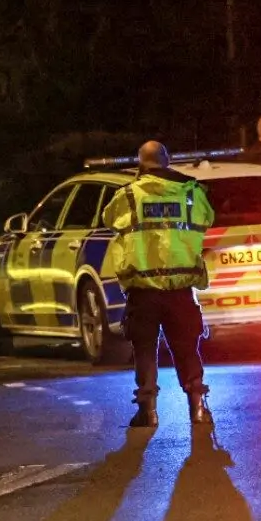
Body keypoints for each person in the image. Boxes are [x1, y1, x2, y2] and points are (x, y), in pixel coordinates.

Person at [102, 141, 215, 428]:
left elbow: (109, 220)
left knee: (144, 349)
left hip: (144, 289)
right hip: (180, 287)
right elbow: (208, 219)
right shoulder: (192, 192)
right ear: (168, 160)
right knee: (187, 346)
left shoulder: (128, 195)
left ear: (141, 162)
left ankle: (147, 412)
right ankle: (198, 407)